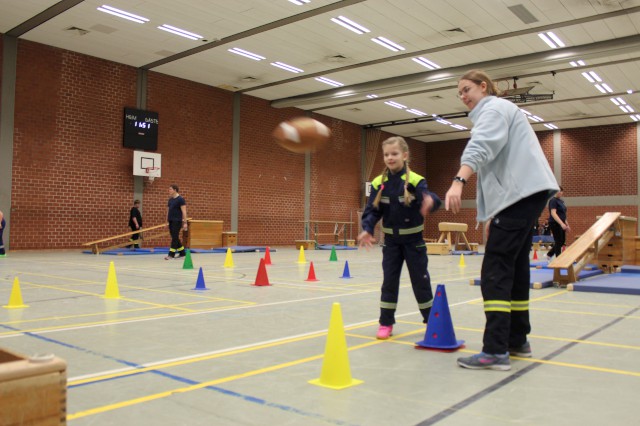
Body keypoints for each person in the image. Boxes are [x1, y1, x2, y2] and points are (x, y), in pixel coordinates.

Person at [445, 70, 559, 370]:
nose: (463, 96)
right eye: (459, 93)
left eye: (467, 89)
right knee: (517, 267)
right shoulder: (503, 110)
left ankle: (495, 350)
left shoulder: (493, 109)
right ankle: (517, 339)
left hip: (520, 195)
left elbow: (482, 145)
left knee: (495, 269)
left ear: (484, 87)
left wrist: (459, 180)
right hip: (527, 194)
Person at [358, 136, 441, 340]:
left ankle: (431, 321)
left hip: (414, 243)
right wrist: (367, 228)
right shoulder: (379, 183)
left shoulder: (415, 180)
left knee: (421, 282)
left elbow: (429, 196)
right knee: (389, 282)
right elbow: (372, 211)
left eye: (394, 154)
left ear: (404, 155)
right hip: (392, 244)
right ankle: (386, 323)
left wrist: (431, 201)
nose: (390, 157)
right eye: (386, 154)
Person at [546, 187, 569, 261]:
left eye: (561, 191)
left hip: (561, 222)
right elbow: (553, 213)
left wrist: (566, 224)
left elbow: (563, 214)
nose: (560, 192)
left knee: (562, 241)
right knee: (558, 241)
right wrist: (561, 223)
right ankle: (558, 259)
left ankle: (549, 254)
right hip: (554, 223)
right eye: (558, 191)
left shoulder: (561, 201)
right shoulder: (553, 201)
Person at [166, 184, 188, 260]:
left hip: (177, 221)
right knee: (174, 237)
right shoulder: (170, 200)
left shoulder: (180, 199)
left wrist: (185, 223)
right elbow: (168, 211)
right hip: (171, 221)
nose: (169, 191)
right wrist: (166, 220)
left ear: (175, 190)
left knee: (174, 238)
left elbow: (184, 211)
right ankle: (182, 253)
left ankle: (171, 254)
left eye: (170, 189)